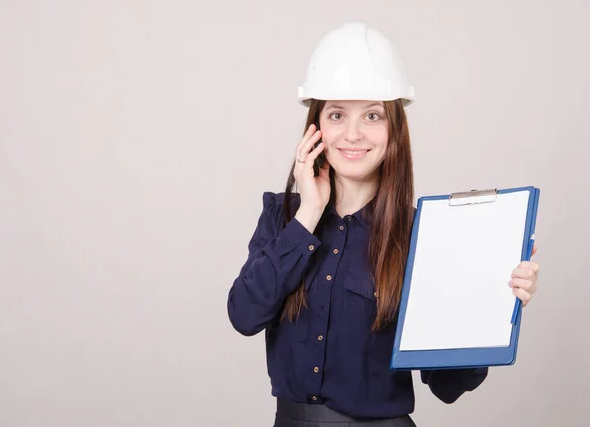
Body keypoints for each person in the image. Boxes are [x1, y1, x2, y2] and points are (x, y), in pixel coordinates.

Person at [227, 22, 540, 427]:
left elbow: (448, 386)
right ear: (315, 127)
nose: (353, 134)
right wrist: (307, 214)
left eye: (372, 115)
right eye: (337, 114)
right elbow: (244, 315)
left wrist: (493, 303)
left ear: (394, 131)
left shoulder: (422, 237)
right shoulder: (283, 215)